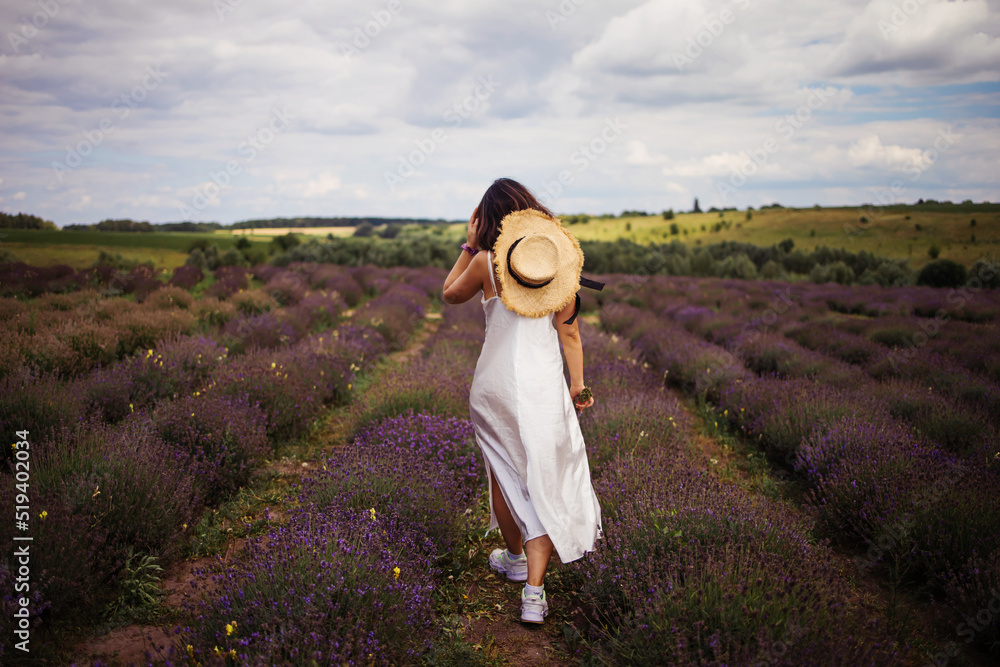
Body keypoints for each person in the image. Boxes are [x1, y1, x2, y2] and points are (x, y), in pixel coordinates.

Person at [442, 178, 603, 624]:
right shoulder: (558, 269)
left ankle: (515, 559)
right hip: (541, 388)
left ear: (491, 221)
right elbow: (569, 333)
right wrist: (578, 385)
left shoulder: (485, 264)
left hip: (492, 388)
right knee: (545, 478)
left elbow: (448, 293)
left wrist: (468, 245)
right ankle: (533, 591)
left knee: (504, 475)